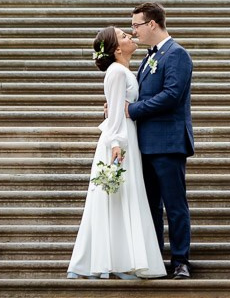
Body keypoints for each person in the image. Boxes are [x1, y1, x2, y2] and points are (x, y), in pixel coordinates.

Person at [67, 27, 166, 279]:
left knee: (122, 200)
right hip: (119, 143)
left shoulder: (123, 71)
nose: (130, 36)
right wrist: (116, 145)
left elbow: (116, 107)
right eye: (123, 36)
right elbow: (113, 117)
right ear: (117, 49)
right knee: (117, 200)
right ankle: (117, 261)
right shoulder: (117, 72)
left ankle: (122, 259)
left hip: (126, 138)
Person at [126, 1, 194, 279]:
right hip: (145, 143)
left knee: (174, 204)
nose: (133, 32)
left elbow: (171, 95)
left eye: (136, 25)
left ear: (152, 24)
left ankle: (180, 261)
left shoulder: (177, 54)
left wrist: (132, 110)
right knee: (151, 205)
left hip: (168, 142)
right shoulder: (147, 58)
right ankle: (155, 258)